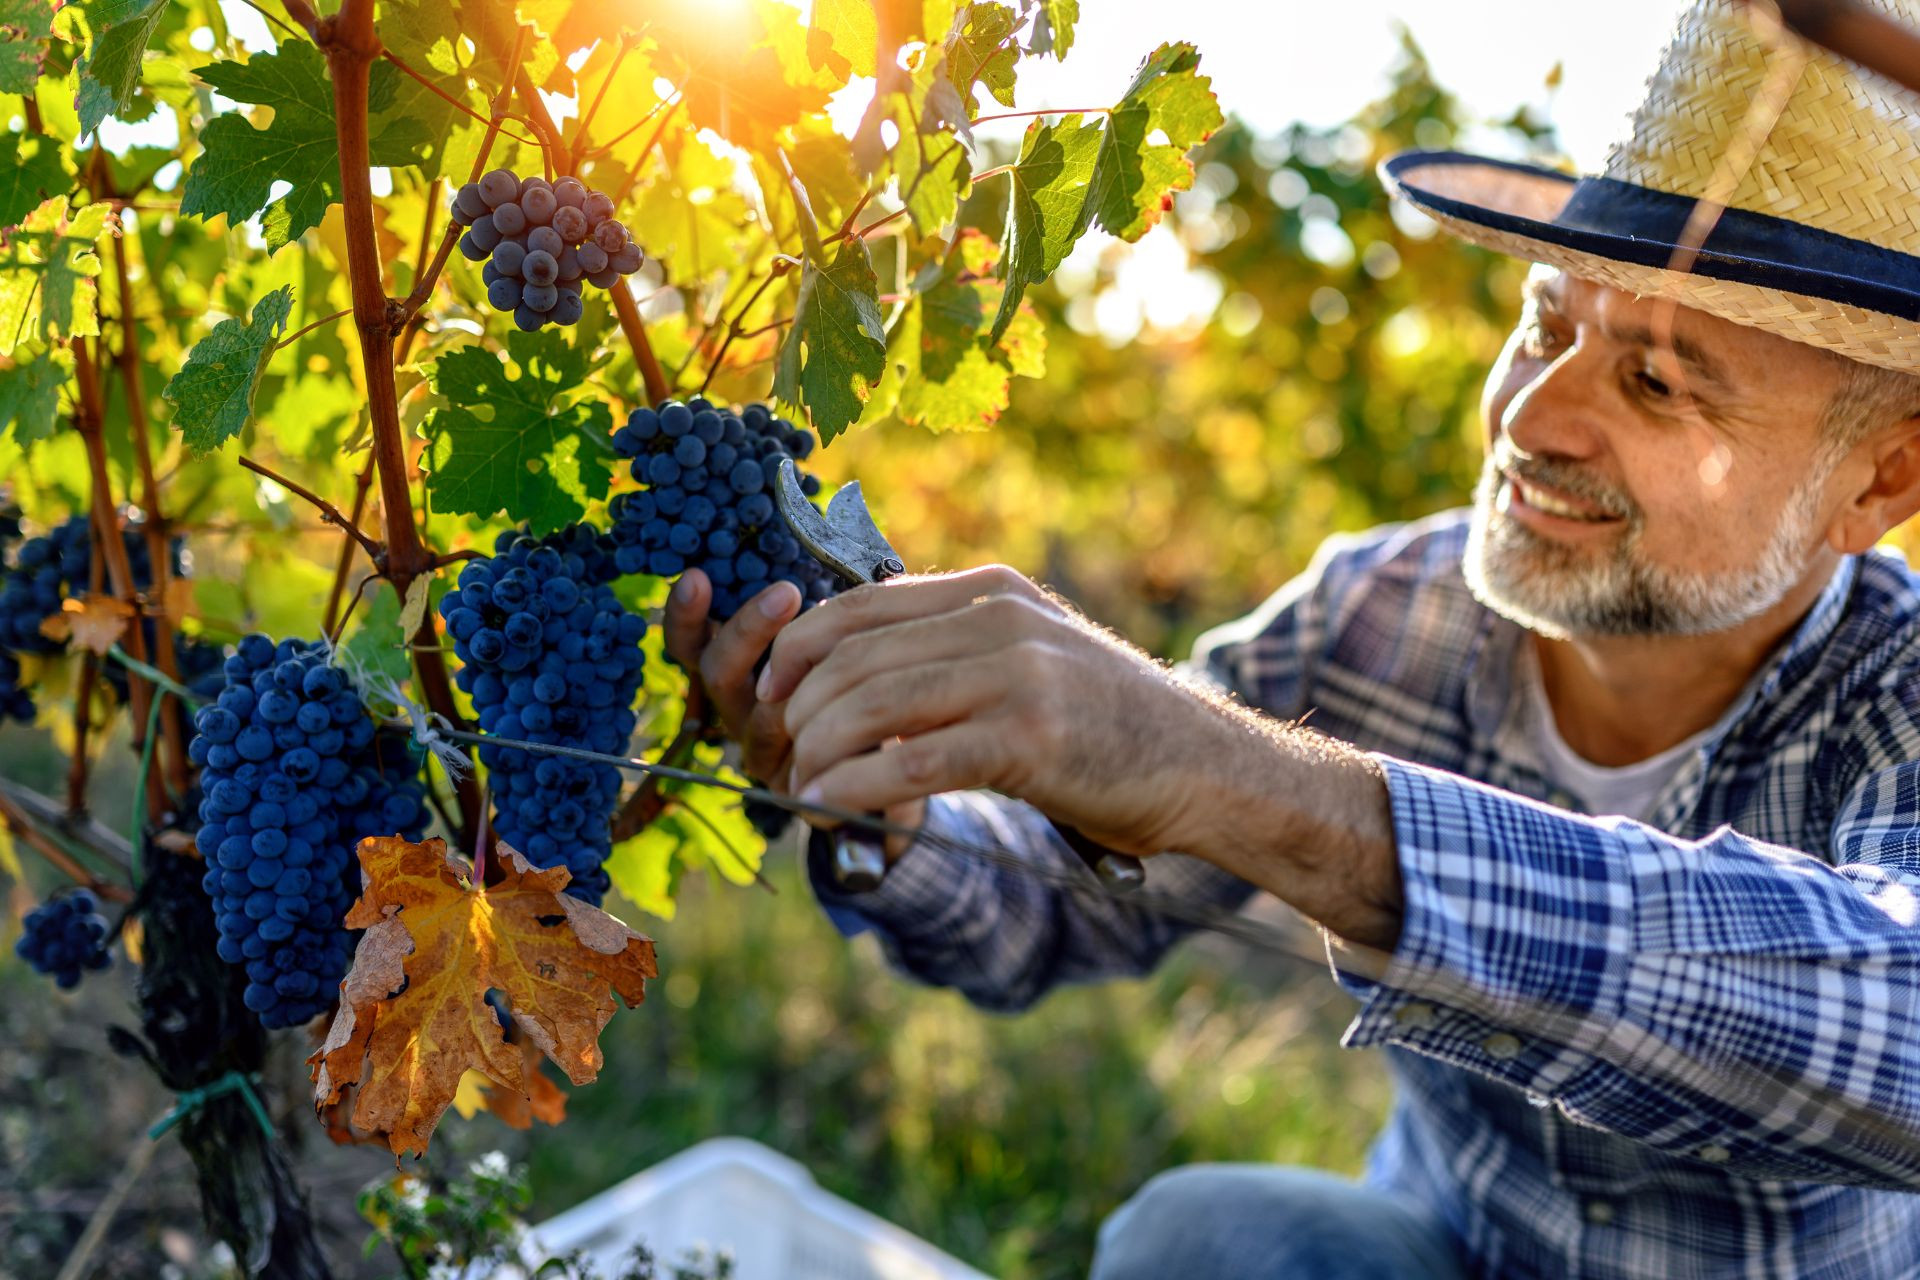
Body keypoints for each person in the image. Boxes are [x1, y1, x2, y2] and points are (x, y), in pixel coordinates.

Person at [663, 1, 1920, 1275]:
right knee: (1203, 1236)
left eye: (1655, 381)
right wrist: (890, 800)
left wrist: (1244, 777)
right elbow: (1053, 909)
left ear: (1878, 480)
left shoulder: (1899, 689)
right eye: (1545, 325)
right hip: (1454, 1245)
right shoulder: (1382, 609)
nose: (1532, 415)